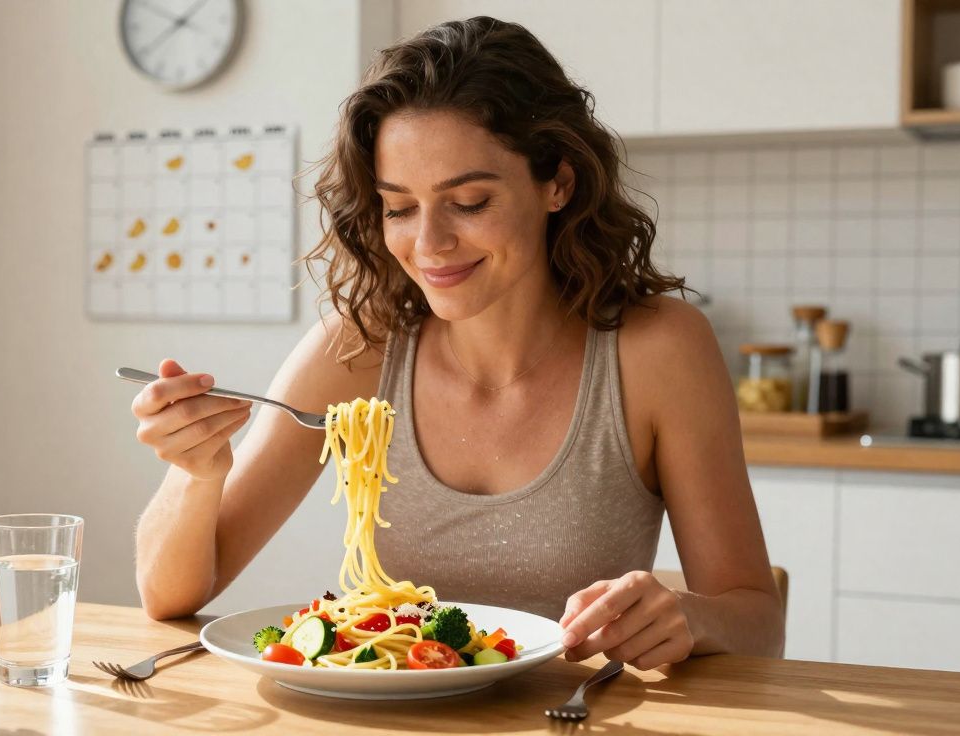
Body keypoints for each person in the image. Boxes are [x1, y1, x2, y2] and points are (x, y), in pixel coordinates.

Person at [131, 16, 784, 670]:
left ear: (558, 182)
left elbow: (756, 619)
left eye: (468, 201)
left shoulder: (658, 351)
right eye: (399, 207)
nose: (429, 243)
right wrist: (195, 474)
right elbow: (169, 595)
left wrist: (689, 616)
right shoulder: (357, 351)